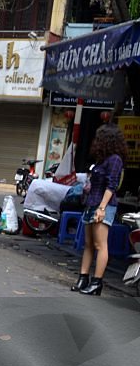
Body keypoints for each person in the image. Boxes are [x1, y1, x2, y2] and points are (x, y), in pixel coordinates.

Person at [73, 123, 126, 296]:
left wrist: (102, 208)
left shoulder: (115, 160)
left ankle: (97, 283)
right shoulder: (102, 159)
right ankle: (83, 278)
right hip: (91, 204)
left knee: (100, 244)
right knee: (88, 244)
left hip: (104, 206)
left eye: (99, 137)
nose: (96, 141)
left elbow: (111, 186)